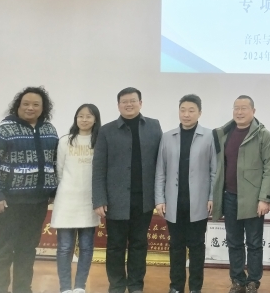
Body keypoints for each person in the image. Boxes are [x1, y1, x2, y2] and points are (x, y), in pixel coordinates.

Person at [0, 86, 59, 293]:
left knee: (27, 249)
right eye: (26, 104)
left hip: (37, 203)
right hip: (8, 203)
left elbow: (54, 163)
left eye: (36, 104)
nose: (30, 108)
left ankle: (23, 288)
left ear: (43, 108)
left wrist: (53, 191)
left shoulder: (49, 130)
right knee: (3, 250)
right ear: (18, 105)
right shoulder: (2, 130)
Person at [92, 87, 163, 293]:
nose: (129, 104)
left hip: (144, 200)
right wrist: (99, 199)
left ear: (140, 103)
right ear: (118, 105)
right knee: (115, 246)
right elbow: (99, 168)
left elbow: (161, 163)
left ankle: (135, 285)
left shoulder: (154, 126)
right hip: (116, 200)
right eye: (124, 101)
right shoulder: (107, 130)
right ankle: (116, 285)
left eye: (133, 100)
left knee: (139, 244)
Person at [211, 95, 270, 293]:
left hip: (253, 200)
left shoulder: (263, 135)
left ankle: (253, 281)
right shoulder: (224, 133)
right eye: (236, 108)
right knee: (234, 242)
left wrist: (264, 198)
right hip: (229, 197)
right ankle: (238, 280)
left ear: (253, 111)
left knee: (254, 243)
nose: (239, 112)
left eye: (244, 108)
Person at [155, 94, 216, 293]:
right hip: (174, 203)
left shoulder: (209, 136)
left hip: (198, 203)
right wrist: (159, 199)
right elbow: (160, 171)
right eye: (183, 110)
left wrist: (212, 197)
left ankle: (195, 287)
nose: (186, 114)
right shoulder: (167, 137)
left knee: (197, 247)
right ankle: (176, 286)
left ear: (200, 113)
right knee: (176, 247)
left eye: (191, 110)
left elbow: (215, 171)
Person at [51, 103, 102, 293]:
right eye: (80, 116)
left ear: (95, 119)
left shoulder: (100, 141)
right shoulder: (65, 141)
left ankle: (80, 286)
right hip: (67, 200)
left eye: (89, 116)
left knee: (87, 247)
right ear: (76, 118)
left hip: (89, 201)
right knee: (64, 247)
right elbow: (59, 170)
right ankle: (65, 287)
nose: (84, 119)